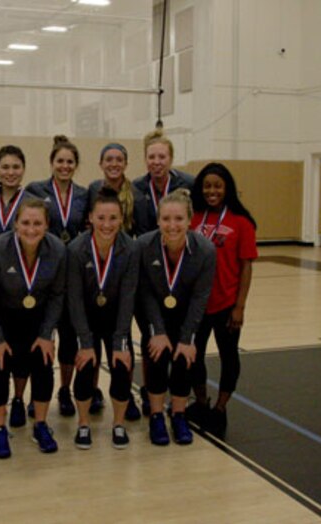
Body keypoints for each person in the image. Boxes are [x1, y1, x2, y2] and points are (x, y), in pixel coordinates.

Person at [0, 199, 67, 458]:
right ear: (15, 224)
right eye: (26, 223)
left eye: (38, 223)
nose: (31, 229)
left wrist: (46, 335)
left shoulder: (58, 250)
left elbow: (57, 295)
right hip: (2, 317)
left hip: (38, 317)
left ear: (47, 225)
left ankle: (40, 424)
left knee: (42, 366)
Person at [136, 188, 215, 446]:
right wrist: (157, 330)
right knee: (157, 358)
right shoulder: (144, 246)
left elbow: (200, 297)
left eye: (178, 219)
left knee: (185, 359)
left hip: (188, 316)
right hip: (154, 313)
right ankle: (157, 415)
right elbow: (145, 292)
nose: (172, 225)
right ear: (158, 220)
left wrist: (188, 337)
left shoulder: (205, 249)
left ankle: (179, 414)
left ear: (189, 220)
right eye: (166, 219)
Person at [188, 163, 258, 436]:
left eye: (217, 185)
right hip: (196, 306)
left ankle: (220, 407)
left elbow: (246, 266)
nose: (212, 191)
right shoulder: (193, 217)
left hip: (227, 304)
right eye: (207, 186)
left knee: (229, 357)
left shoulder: (241, 222)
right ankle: (202, 401)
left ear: (227, 187)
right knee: (194, 357)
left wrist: (239, 306)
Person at [67, 188, 140, 450]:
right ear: (90, 218)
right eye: (101, 218)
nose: (106, 224)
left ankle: (118, 424)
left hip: (116, 321)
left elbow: (129, 296)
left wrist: (121, 339)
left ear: (121, 219)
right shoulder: (76, 249)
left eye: (112, 218)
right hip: (85, 319)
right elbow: (73, 299)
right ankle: (83, 424)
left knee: (122, 366)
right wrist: (85, 342)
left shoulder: (130, 249)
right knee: (85, 366)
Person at [132, 129, 195, 415]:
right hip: (150, 268)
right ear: (145, 159)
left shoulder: (188, 184)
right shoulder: (135, 188)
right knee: (151, 338)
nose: (156, 161)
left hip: (180, 265)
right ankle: (150, 391)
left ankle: (180, 396)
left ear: (170, 158)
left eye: (162, 156)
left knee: (181, 333)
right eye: (151, 156)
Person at [25, 135, 88, 418]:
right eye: (60, 161)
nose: (64, 166)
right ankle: (31, 395)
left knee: (69, 335)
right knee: (40, 333)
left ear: (76, 165)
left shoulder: (85, 194)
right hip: (43, 270)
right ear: (51, 163)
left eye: (70, 162)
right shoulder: (35, 190)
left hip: (73, 271)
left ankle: (65, 390)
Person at [86, 143, 144, 421]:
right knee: (93, 343)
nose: (113, 163)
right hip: (95, 269)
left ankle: (125, 394)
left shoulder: (137, 195)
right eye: (108, 159)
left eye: (119, 159)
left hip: (122, 268)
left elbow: (142, 235)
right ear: (100, 163)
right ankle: (94, 390)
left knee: (121, 341)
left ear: (126, 163)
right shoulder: (92, 190)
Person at [0, 145, 37, 241]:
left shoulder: (33, 203)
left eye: (16, 167)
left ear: (23, 169)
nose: (11, 172)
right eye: (5, 167)